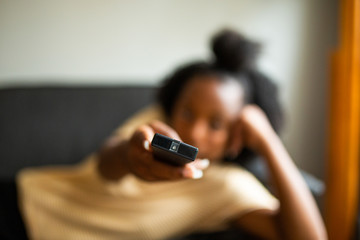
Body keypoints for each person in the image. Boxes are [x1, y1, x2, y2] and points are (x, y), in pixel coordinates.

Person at [17, 29, 327, 240]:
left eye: (215, 124)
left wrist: (268, 141)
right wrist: (130, 155)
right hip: (21, 199)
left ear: (238, 136)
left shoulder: (228, 188)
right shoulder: (156, 123)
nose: (192, 130)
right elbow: (105, 164)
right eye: (188, 113)